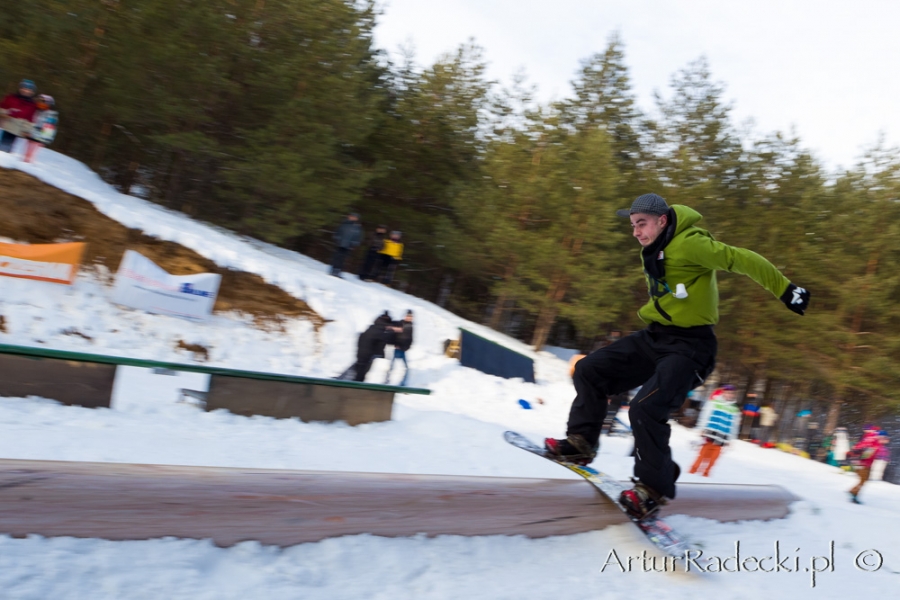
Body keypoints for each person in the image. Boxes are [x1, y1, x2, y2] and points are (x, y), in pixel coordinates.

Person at [544, 193, 811, 519]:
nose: (636, 232)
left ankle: (652, 489)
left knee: (645, 408)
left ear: (663, 220)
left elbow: (743, 259)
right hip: (656, 336)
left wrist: (786, 289)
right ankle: (582, 442)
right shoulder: (654, 247)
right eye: (632, 225)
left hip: (691, 347)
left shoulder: (690, 244)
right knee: (589, 370)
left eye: (641, 224)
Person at [689, 385, 741, 477]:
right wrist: (701, 428)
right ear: (723, 393)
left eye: (731, 393)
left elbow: (734, 425)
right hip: (710, 434)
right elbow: (704, 416)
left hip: (722, 437)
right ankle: (692, 472)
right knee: (702, 455)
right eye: (727, 392)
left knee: (713, 458)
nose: (729, 395)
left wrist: (731, 438)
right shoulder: (714, 402)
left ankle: (706, 474)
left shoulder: (734, 409)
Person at [337, 311, 394, 382]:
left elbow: (361, 338)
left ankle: (342, 379)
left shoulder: (371, 328)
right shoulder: (382, 332)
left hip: (361, 353)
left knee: (357, 369)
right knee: (361, 375)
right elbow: (387, 341)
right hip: (369, 356)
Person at [849, 429, 891, 504]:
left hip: (861, 463)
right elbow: (866, 455)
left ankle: (853, 492)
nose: (886, 441)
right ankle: (853, 492)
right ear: (881, 437)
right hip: (863, 464)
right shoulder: (874, 444)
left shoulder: (872, 441)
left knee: (863, 479)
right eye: (885, 438)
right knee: (863, 480)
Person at [0, 79, 38, 153]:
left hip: (15, 129)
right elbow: (3, 107)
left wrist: (26, 130)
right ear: (20, 88)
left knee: (5, 147)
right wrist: (5, 113)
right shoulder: (11, 97)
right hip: (4, 124)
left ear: (32, 92)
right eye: (23, 88)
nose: (25, 91)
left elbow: (30, 119)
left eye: (28, 89)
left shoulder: (32, 105)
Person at [24, 94, 58, 163]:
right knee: (27, 149)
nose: (40, 103)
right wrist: (28, 131)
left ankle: (29, 162)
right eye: (39, 101)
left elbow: (49, 128)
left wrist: (45, 139)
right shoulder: (37, 111)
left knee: (33, 151)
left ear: (48, 104)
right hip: (32, 134)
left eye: (43, 102)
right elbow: (32, 121)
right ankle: (24, 161)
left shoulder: (51, 114)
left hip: (40, 137)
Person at [384, 310, 414, 386]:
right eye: (408, 316)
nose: (409, 318)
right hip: (398, 348)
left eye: (410, 316)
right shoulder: (401, 323)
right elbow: (391, 326)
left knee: (400, 368)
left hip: (403, 349)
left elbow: (409, 337)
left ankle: (397, 383)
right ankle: (388, 381)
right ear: (405, 316)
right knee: (396, 367)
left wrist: (408, 346)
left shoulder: (410, 325)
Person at [330, 213, 362, 277]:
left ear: (357, 219)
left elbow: (358, 237)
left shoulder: (357, 227)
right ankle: (334, 270)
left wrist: (353, 244)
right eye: (352, 216)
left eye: (355, 217)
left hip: (348, 246)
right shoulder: (343, 224)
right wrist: (337, 239)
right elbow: (337, 233)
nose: (353, 218)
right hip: (340, 244)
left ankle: (338, 271)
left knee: (343, 259)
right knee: (336, 258)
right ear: (349, 216)